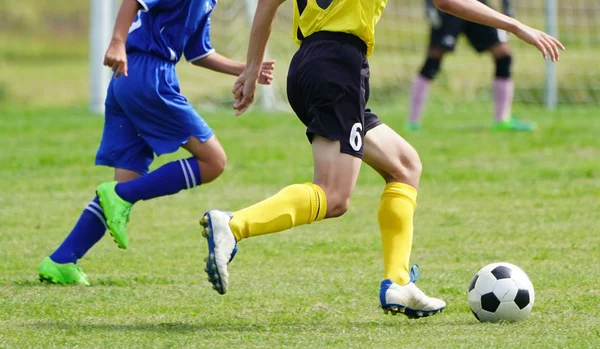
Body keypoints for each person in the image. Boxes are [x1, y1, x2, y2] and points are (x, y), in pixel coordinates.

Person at [201, 0, 563, 318]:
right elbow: (447, 1)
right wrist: (516, 26)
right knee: (334, 195)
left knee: (405, 165)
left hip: (311, 65)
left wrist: (250, 70)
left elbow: (267, 4)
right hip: (339, 65)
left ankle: (398, 282)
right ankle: (233, 226)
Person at [38, 0, 274, 285]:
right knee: (213, 162)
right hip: (150, 77)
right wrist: (117, 42)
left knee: (127, 183)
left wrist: (246, 68)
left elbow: (199, 52)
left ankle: (62, 260)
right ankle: (119, 197)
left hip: (129, 79)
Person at [408, 0, 533, 131]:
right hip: (450, 5)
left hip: (476, 6)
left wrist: (507, 9)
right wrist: (429, 5)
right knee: (433, 60)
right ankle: (412, 122)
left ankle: (502, 120)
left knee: (503, 55)